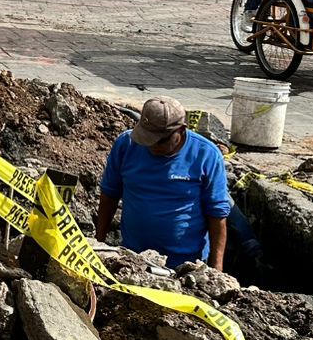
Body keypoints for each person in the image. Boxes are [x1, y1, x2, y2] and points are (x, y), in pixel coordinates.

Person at [95, 97, 231, 270]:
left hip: (186, 265)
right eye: (147, 139)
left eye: (160, 141)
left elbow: (217, 214)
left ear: (181, 130)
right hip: (132, 261)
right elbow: (109, 194)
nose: (152, 146)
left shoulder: (206, 155)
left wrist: (216, 269)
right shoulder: (127, 145)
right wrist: (99, 243)